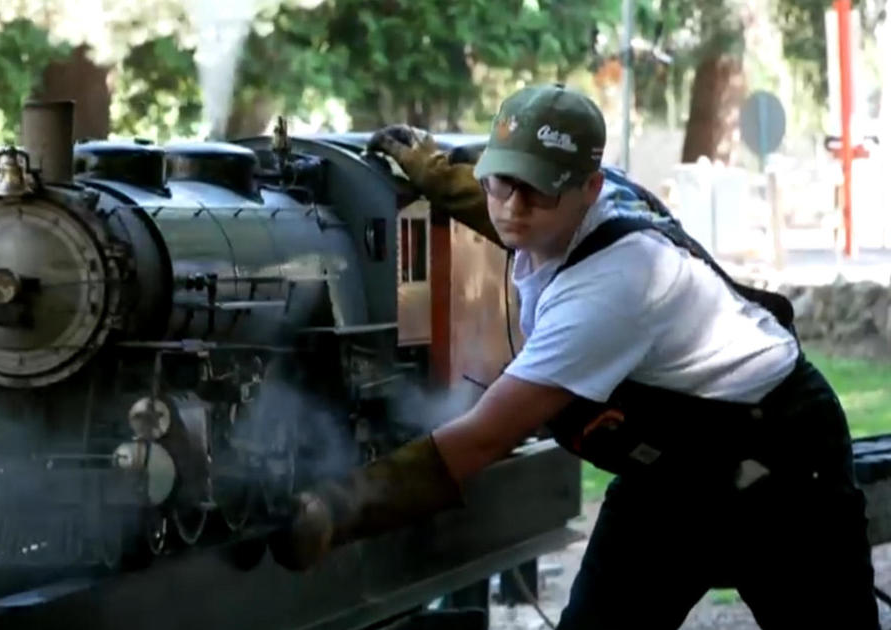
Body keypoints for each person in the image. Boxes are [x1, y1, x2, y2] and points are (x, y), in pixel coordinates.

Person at [268, 83, 879, 629]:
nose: (511, 207)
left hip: (784, 457)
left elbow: (481, 438)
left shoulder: (609, 290)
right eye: (501, 181)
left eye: (535, 192)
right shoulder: (567, 203)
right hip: (674, 469)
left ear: (589, 188)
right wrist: (433, 171)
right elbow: (506, 202)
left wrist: (337, 509)